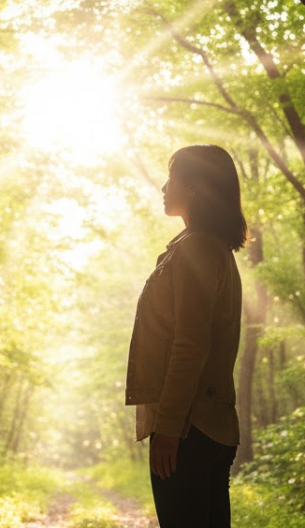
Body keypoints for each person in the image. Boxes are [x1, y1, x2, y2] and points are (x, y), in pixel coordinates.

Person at [126, 144, 247, 527]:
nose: (164, 187)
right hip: (210, 425)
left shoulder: (196, 248)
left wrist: (168, 428)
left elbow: (191, 345)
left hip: (189, 431)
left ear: (193, 187)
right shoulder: (213, 248)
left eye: (172, 178)